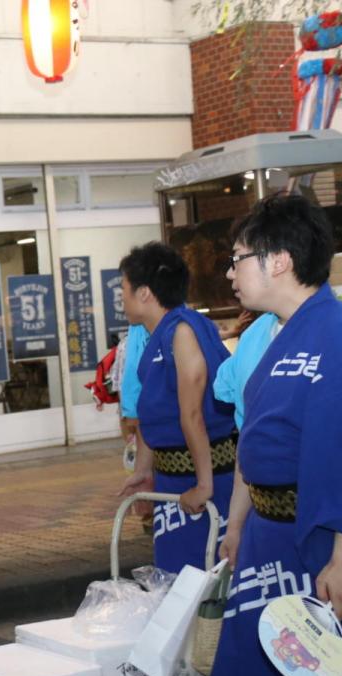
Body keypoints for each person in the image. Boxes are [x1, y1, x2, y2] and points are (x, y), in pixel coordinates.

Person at [197, 194, 342, 676]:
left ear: (278, 261)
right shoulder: (275, 336)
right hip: (269, 538)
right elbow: (256, 439)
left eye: (238, 258)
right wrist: (240, 524)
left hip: (319, 543)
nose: (230, 272)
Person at [118, 242, 236, 575]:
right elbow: (152, 412)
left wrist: (204, 485)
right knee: (174, 581)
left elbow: (192, 414)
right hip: (172, 482)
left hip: (203, 482)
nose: (121, 299)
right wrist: (143, 470)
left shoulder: (183, 332)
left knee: (205, 585)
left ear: (144, 294)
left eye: (123, 290)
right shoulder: (156, 335)